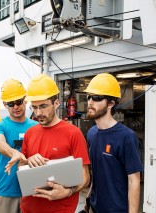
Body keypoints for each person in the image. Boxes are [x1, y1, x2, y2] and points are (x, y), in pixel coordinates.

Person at [20, 74, 90, 213]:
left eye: (43, 106)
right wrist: (28, 161)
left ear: (56, 103)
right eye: (34, 107)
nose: (38, 112)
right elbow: (20, 167)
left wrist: (68, 191)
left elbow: (85, 177)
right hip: (28, 208)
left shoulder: (73, 133)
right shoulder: (30, 133)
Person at [83, 73, 143, 213]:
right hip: (95, 208)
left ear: (110, 104)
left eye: (97, 98)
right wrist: (88, 199)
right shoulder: (91, 134)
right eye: (89, 97)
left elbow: (134, 181)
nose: (90, 102)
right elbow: (96, 172)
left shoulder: (126, 137)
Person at [0, 79, 38, 213]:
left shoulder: (36, 127)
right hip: (6, 192)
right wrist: (14, 153)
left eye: (19, 102)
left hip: (33, 191)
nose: (15, 107)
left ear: (25, 100)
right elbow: (0, 144)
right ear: (5, 104)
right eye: (11, 103)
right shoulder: (0, 125)